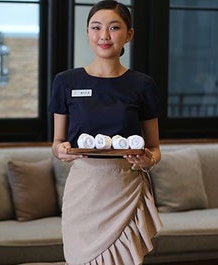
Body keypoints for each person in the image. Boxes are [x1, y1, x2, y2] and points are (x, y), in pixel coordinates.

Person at [48, 1, 163, 264]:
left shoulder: (142, 85)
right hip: (84, 192)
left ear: (129, 35)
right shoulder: (66, 82)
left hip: (125, 188)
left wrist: (149, 159)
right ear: (87, 32)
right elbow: (57, 142)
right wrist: (61, 150)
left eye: (114, 27)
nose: (104, 36)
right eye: (96, 27)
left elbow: (155, 148)